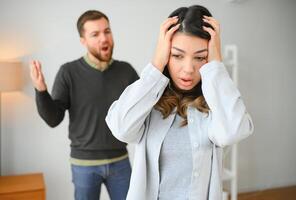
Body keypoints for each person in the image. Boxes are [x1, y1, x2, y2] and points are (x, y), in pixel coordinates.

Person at [106, 5, 254, 200]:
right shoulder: (148, 103)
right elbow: (121, 128)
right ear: (165, 53)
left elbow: (232, 132)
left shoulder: (216, 104)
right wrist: (156, 63)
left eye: (200, 57)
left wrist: (216, 65)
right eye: (177, 55)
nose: (188, 69)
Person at [30, 10, 138, 200]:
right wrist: (41, 90)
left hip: (120, 161)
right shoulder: (68, 72)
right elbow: (54, 118)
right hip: (84, 165)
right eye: (95, 34)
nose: (104, 38)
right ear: (83, 41)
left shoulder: (126, 71)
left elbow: (144, 109)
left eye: (107, 31)